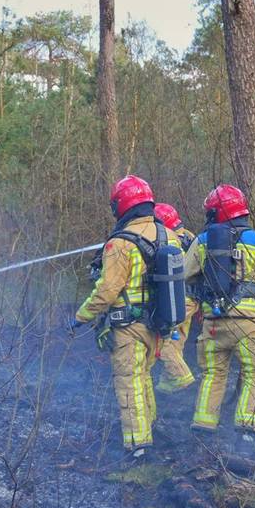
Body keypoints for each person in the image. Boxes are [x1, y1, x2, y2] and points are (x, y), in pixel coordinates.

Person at [71, 175, 186, 456]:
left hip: (128, 326)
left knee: (128, 381)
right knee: (144, 377)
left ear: (121, 206)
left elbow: (108, 289)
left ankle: (137, 446)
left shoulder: (120, 243)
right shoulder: (169, 235)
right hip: (159, 323)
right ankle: (150, 429)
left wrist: (81, 316)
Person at [183, 184, 255, 435]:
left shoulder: (202, 241)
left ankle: (203, 425)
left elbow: (185, 273)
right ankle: (248, 429)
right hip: (249, 325)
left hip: (213, 324)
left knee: (213, 374)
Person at [152, 203, 198, 393]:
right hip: (193, 299)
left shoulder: (169, 241)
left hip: (177, 298)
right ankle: (165, 388)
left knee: (162, 341)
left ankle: (182, 376)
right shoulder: (190, 237)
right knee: (177, 341)